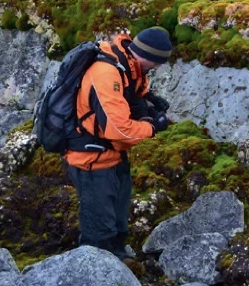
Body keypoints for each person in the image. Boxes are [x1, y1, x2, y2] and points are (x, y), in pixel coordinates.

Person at [64, 26, 174, 260]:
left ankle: (119, 260)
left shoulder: (128, 65)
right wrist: (153, 127)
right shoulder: (106, 73)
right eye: (157, 62)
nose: (157, 67)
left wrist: (148, 104)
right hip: (91, 161)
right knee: (99, 231)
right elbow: (118, 130)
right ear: (148, 55)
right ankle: (93, 270)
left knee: (118, 223)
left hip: (113, 156)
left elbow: (134, 95)